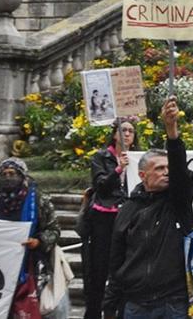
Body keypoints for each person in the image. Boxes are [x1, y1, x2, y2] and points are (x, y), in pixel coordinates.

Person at [105, 98, 193, 319]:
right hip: (136, 304)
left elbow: (181, 174)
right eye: (160, 168)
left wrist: (172, 131)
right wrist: (109, 305)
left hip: (172, 302)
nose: (167, 172)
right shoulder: (128, 209)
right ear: (143, 175)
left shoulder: (177, 203)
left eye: (169, 168)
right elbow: (116, 260)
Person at [0, 157, 61, 319]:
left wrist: (38, 241)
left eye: (12, 173)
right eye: (4, 174)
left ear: (22, 175)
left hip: (29, 264)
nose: (8, 177)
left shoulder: (38, 200)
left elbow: (54, 230)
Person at [82, 119, 138, 319]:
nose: (127, 134)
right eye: (123, 130)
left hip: (128, 218)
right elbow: (100, 185)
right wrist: (118, 170)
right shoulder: (101, 157)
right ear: (115, 134)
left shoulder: (139, 158)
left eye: (131, 130)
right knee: (100, 269)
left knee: (124, 269)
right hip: (104, 219)